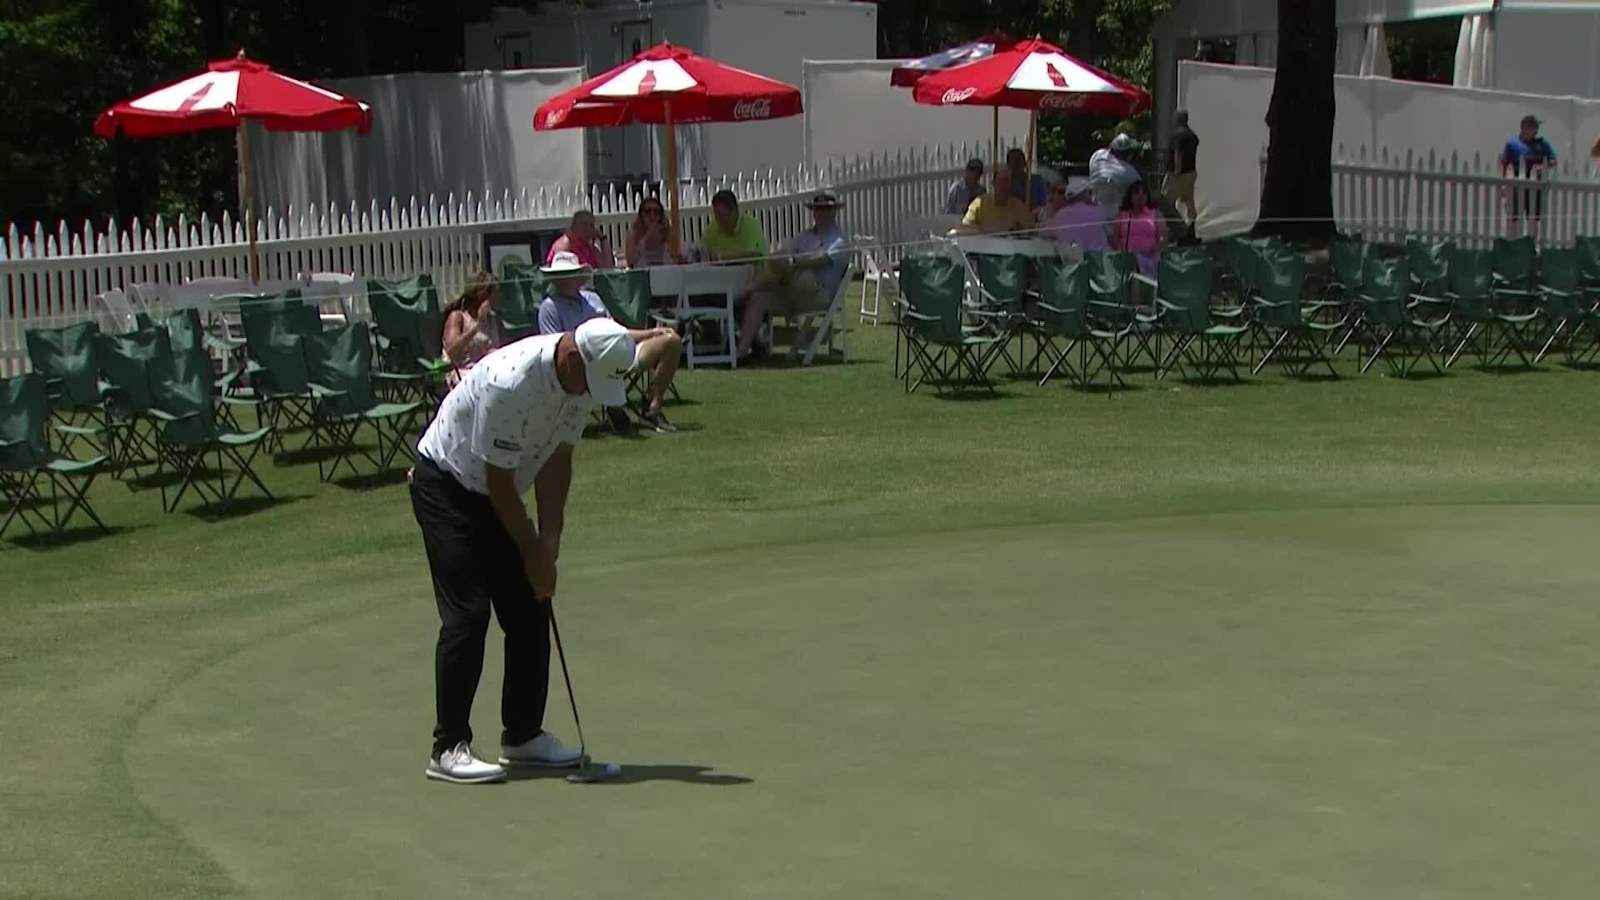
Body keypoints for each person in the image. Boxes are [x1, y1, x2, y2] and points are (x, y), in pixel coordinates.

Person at [410, 316, 636, 784]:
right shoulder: (512, 381)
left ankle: (523, 736)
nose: (587, 395)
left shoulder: (578, 384)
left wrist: (548, 548)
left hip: (498, 488)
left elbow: (558, 463)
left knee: (532, 604)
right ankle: (448, 746)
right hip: (448, 484)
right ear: (574, 357)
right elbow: (497, 483)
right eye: (588, 383)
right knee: (468, 615)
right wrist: (530, 549)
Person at [536, 251, 683, 433]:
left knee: (671, 341)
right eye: (560, 275)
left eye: (569, 274)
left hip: (619, 353)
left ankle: (652, 408)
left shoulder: (593, 299)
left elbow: (617, 333)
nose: (565, 279)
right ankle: (615, 410)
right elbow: (554, 351)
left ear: (578, 276)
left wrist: (652, 332)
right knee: (603, 359)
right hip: (585, 364)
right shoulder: (549, 308)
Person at [736, 192, 849, 360]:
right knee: (759, 298)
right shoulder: (805, 236)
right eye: (818, 210)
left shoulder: (839, 240)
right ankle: (741, 352)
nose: (821, 213)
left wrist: (793, 262)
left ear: (834, 212)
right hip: (791, 290)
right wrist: (788, 262)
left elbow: (820, 259)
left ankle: (742, 293)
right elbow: (786, 253)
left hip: (818, 295)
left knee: (778, 264)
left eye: (826, 209)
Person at [441, 271, 503, 389]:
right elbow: (451, 350)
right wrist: (477, 326)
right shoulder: (458, 317)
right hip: (463, 373)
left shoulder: (493, 319)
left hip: (488, 370)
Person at [1500, 114, 1557, 238]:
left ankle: (1532, 245)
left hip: (1535, 187)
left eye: (1535, 127)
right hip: (1515, 186)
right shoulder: (1512, 144)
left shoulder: (1543, 145)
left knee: (1533, 219)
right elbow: (1504, 164)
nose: (1535, 130)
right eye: (1532, 126)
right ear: (1523, 127)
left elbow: (1553, 162)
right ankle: (1512, 242)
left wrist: (1542, 167)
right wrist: (1504, 184)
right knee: (1513, 218)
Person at [1039, 176, 1110, 256]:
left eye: (1061, 192)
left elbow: (1041, 231)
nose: (1054, 196)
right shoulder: (1099, 211)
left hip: (1078, 262)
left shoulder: (1062, 215)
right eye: (1052, 191)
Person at [956, 167, 1034, 236]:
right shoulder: (979, 204)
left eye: (1007, 181)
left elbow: (1030, 228)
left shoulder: (1018, 206)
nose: (1003, 185)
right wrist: (979, 230)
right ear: (993, 183)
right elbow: (966, 226)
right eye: (1001, 181)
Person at [1111, 181, 1164, 277]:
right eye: (1137, 193)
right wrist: (1123, 252)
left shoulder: (1156, 214)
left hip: (1151, 258)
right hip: (1127, 258)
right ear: (1130, 196)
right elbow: (1114, 238)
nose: (1140, 196)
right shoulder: (1122, 215)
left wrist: (1156, 250)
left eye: (1144, 193)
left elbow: (1162, 238)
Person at [702, 189, 769, 263]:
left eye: (721, 215)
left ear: (734, 211)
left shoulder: (750, 225)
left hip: (752, 272)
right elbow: (702, 250)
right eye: (716, 215)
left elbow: (752, 253)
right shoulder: (714, 226)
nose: (718, 220)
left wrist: (722, 257)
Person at [1164, 110, 1200, 232]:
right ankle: (1192, 227)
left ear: (1177, 119)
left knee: (1167, 202)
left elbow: (1178, 153)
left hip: (1179, 174)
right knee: (1189, 201)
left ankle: (1172, 229)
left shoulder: (1178, 135)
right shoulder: (1193, 135)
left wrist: (1176, 172)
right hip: (1191, 173)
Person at [546, 209, 616, 270]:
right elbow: (563, 274)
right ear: (574, 226)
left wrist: (603, 239)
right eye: (584, 224)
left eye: (591, 225)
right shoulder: (565, 243)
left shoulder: (590, 247)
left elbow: (608, 268)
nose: (588, 229)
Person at [1089, 133, 1143, 212]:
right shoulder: (1130, 173)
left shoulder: (1097, 155)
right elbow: (1140, 193)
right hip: (1117, 215)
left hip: (1093, 209)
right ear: (1128, 153)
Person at [624, 196, 677, 268]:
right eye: (647, 211)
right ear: (641, 215)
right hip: (642, 273)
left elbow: (677, 257)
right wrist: (645, 239)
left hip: (664, 271)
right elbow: (630, 261)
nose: (652, 216)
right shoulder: (634, 232)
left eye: (656, 212)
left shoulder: (666, 230)